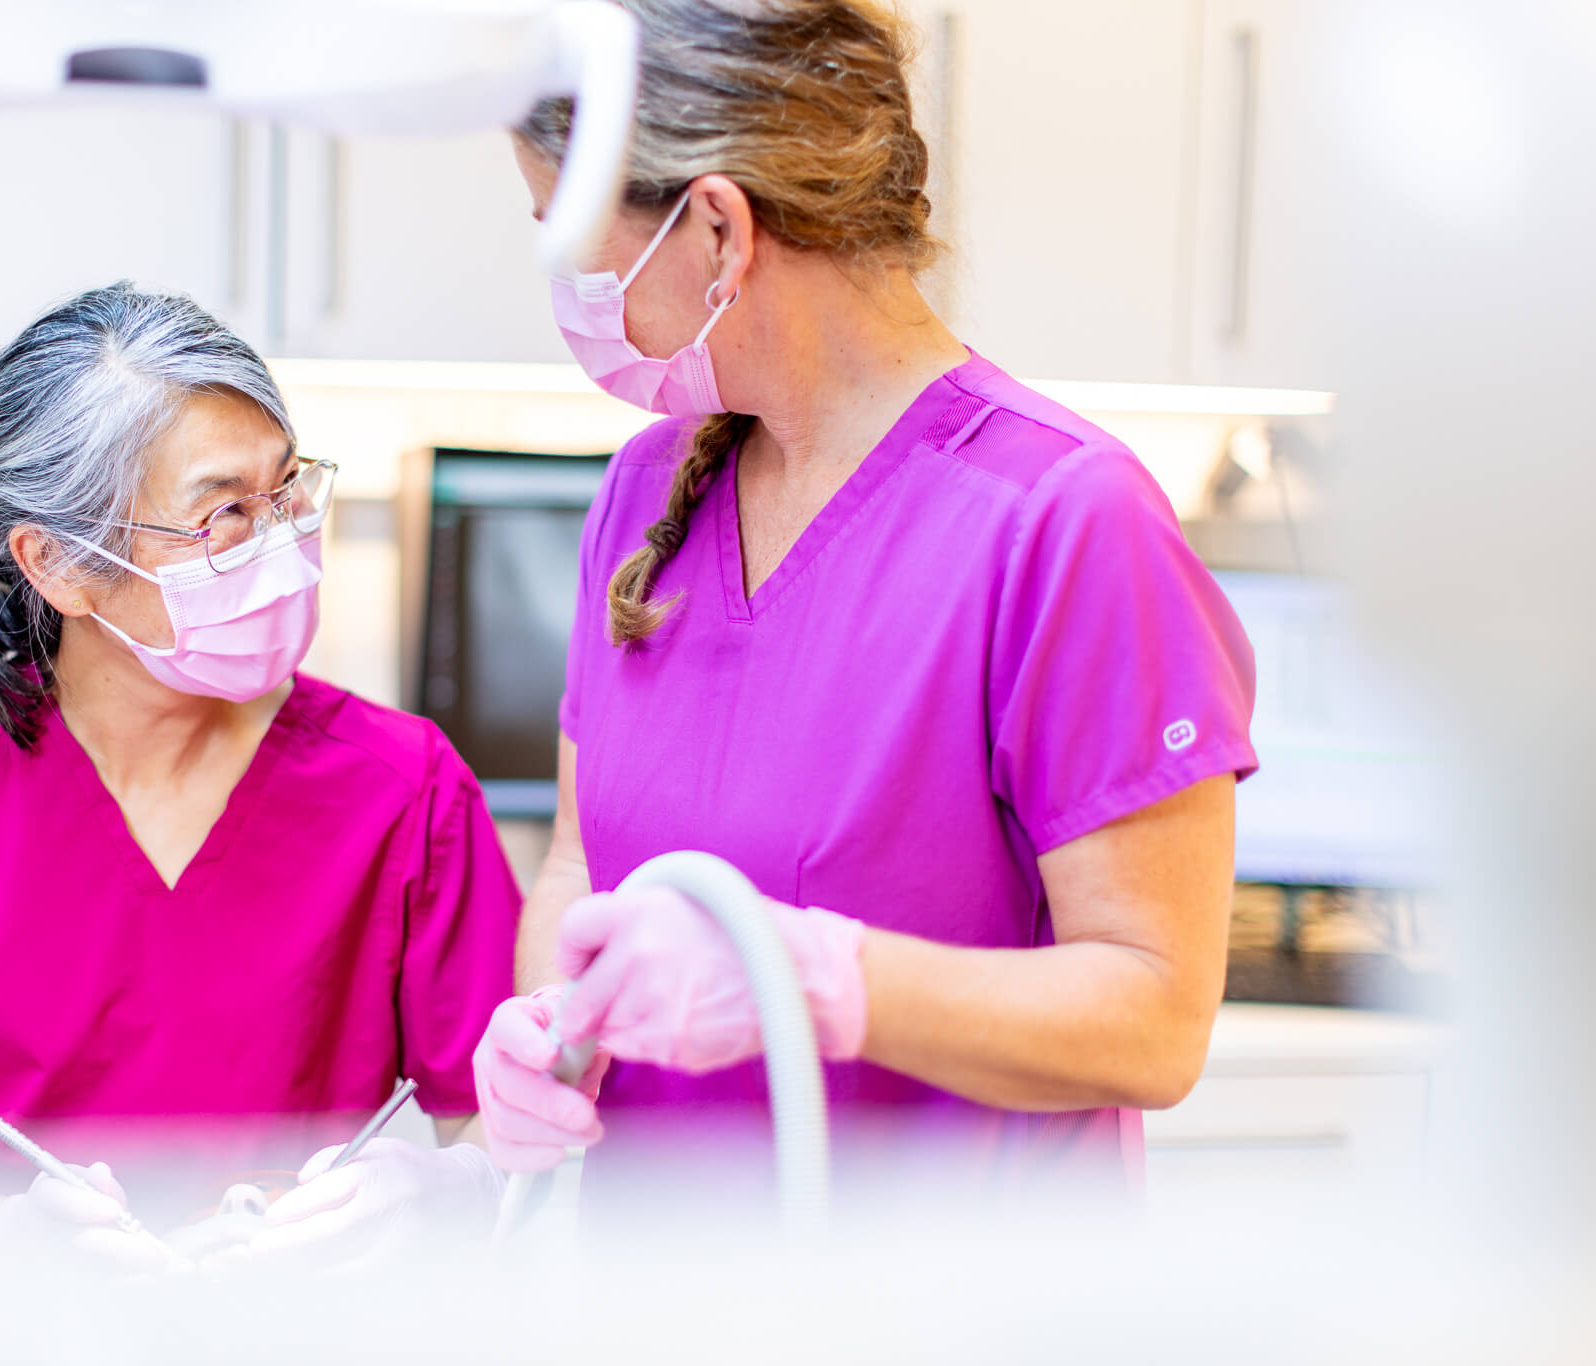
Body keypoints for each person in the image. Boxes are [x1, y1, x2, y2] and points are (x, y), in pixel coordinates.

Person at [472, 0, 1258, 1218]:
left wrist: (818, 983)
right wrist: (543, 1032)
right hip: (656, 1286)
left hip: (947, 1294)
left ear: (717, 227)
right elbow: (580, 860)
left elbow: (1152, 1018)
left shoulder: (1060, 522)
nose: (567, 287)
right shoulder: (643, 495)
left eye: (566, 237)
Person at [0, 284, 514, 1273]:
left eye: (286, 490)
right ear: (59, 565)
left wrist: (452, 1191)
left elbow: (502, 1128)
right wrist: (5, 1242)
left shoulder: (403, 790)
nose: (281, 541)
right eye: (223, 514)